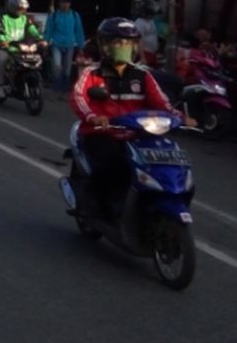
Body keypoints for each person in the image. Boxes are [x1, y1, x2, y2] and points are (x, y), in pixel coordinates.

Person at [71, 17, 192, 214]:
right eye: (118, 42)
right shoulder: (92, 73)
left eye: (128, 43)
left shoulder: (142, 75)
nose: (123, 47)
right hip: (103, 133)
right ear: (105, 45)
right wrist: (93, 117)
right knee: (112, 161)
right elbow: (78, 97)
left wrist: (181, 117)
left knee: (170, 158)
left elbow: (162, 102)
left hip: (138, 134)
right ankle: (92, 200)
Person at [0, 0, 44, 96]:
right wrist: (4, 41)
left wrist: (40, 39)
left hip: (20, 47)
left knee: (33, 59)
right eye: (19, 8)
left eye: (23, 9)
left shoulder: (24, 18)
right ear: (12, 7)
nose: (21, 11)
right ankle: (0, 86)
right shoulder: (3, 17)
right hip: (6, 47)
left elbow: (32, 29)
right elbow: (0, 31)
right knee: (2, 59)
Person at [43, 0, 86, 92]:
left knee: (67, 70)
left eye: (67, 2)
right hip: (56, 45)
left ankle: (64, 91)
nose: (65, 4)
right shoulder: (54, 16)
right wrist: (46, 43)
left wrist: (81, 46)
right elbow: (49, 30)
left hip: (70, 45)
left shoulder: (75, 15)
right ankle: (57, 90)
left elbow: (79, 31)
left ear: (70, 4)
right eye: (63, 2)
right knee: (57, 67)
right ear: (59, 3)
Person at [133, 0, 161, 66]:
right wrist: (143, 58)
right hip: (144, 54)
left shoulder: (151, 21)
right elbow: (139, 40)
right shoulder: (140, 23)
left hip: (151, 54)